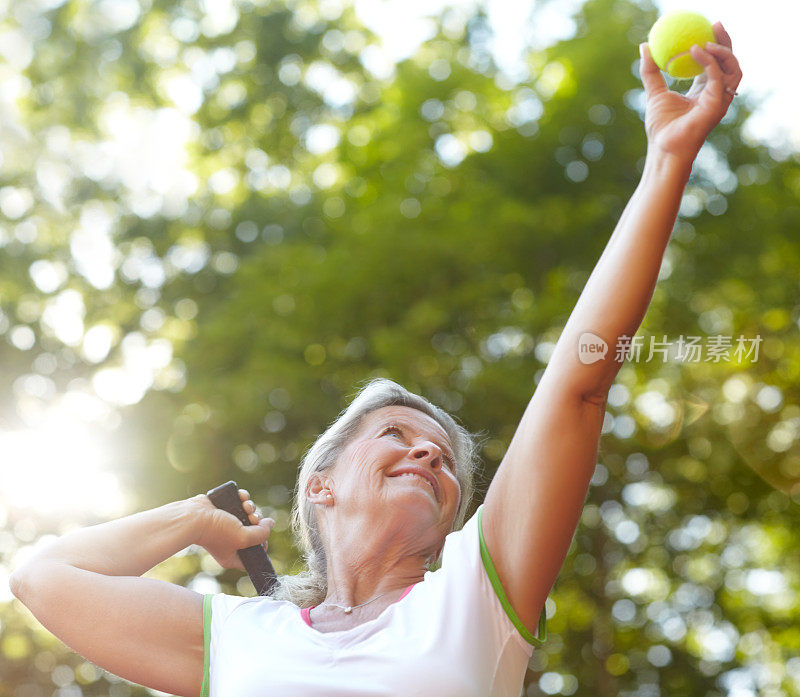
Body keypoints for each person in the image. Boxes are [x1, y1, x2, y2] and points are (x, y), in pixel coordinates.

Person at [9, 25, 742, 697]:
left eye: (448, 459)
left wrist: (667, 159)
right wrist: (196, 520)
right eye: (395, 434)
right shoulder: (233, 637)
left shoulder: (477, 593)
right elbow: (42, 577)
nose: (429, 449)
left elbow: (580, 380)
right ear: (319, 485)